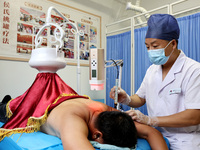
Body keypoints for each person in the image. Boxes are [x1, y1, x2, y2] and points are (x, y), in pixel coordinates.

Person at [110, 14, 200, 150]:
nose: (151, 51)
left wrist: (151, 120)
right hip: (156, 137)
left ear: (173, 44)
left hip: (184, 141)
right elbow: (140, 98)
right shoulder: (152, 70)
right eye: (147, 47)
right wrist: (127, 99)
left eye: (155, 46)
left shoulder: (193, 70)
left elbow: (194, 116)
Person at [0, 95, 168, 150]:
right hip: (24, 109)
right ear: (97, 135)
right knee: (4, 109)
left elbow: (152, 132)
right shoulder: (72, 122)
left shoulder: (109, 113)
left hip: (52, 99)